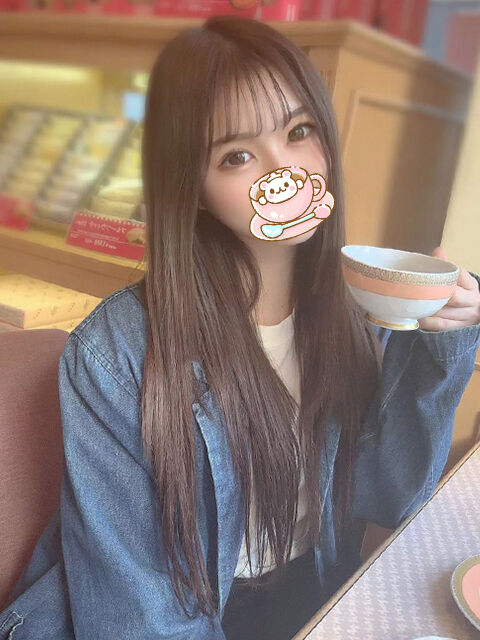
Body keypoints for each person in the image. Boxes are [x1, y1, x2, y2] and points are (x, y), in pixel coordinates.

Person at [1, 15, 480, 640]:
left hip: (305, 596)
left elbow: (387, 496)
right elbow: (136, 615)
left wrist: (439, 346)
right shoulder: (114, 356)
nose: (285, 173)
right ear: (195, 188)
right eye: (237, 156)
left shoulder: (356, 308)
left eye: (299, 131)